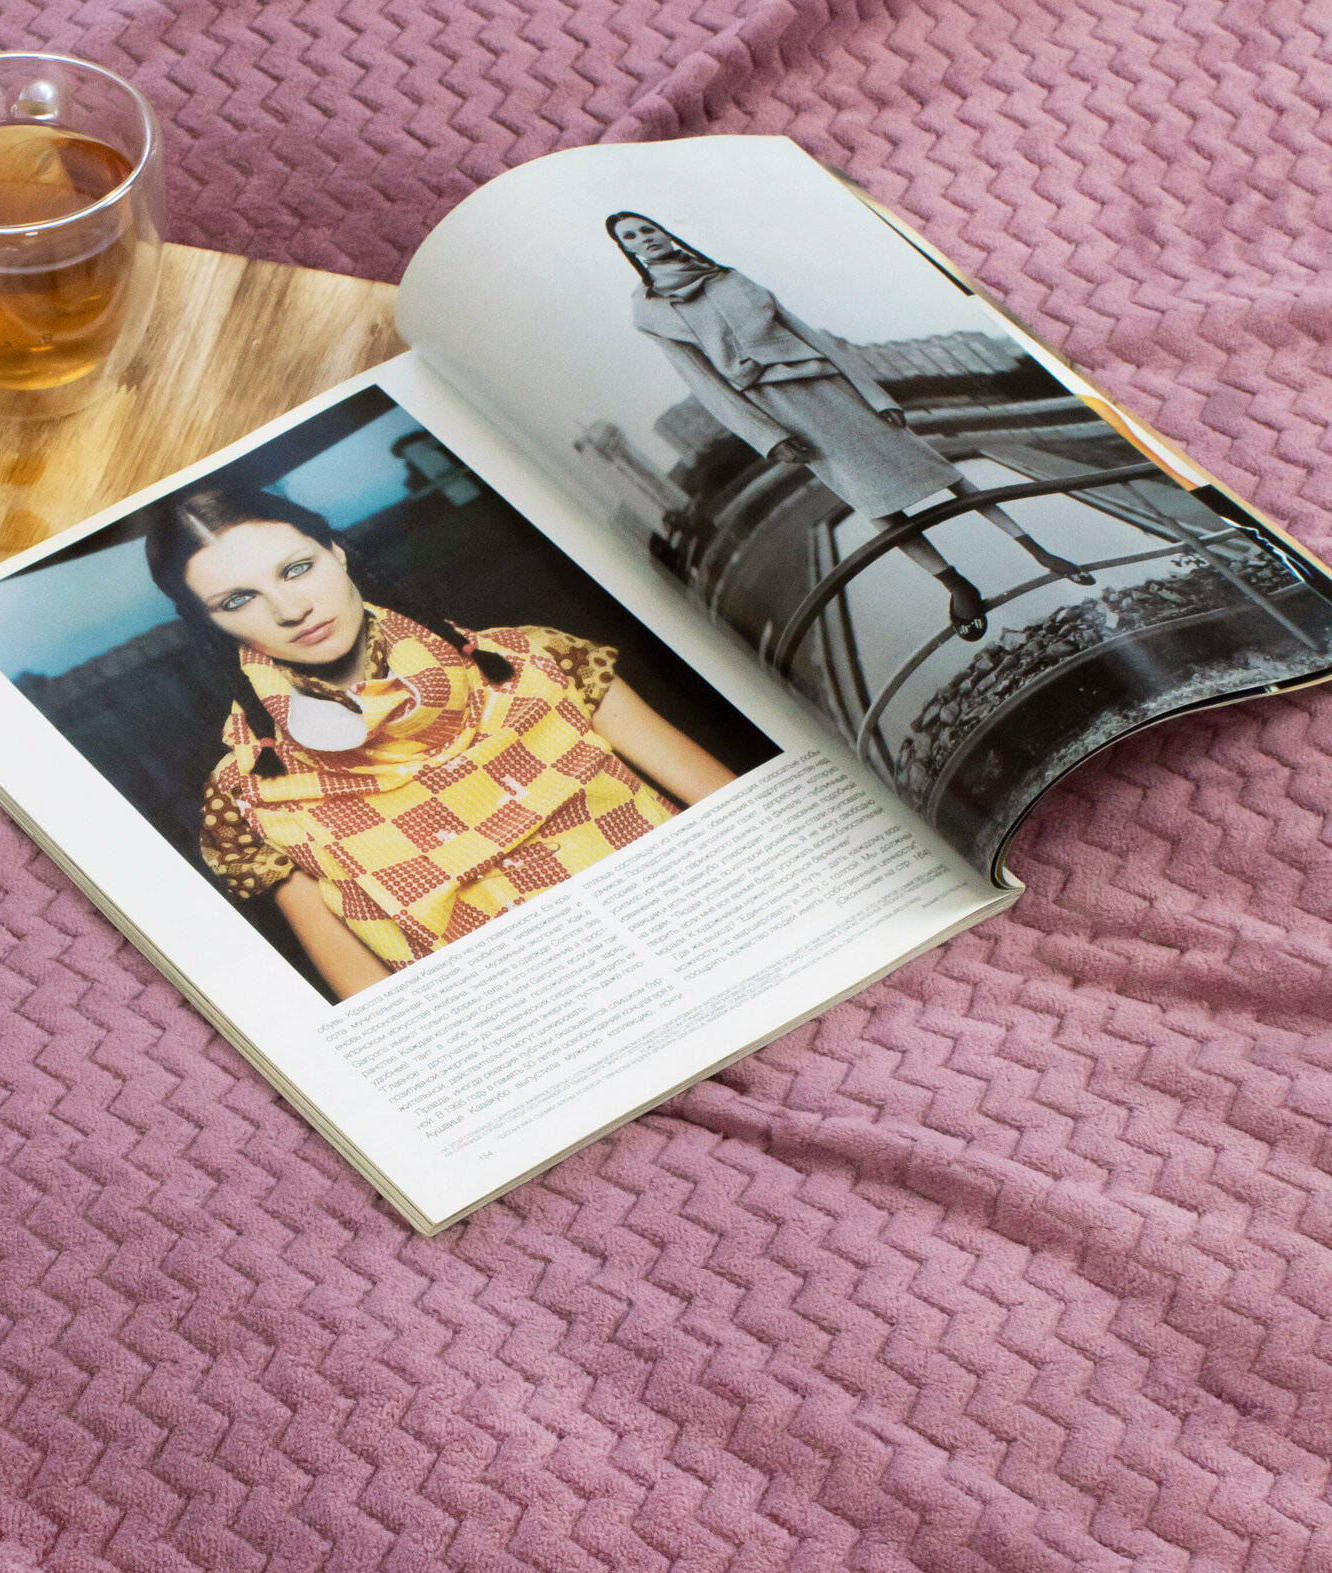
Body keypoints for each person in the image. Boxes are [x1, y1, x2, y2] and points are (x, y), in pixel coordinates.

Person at [143, 483, 735, 999]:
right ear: (211, 623)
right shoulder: (250, 793)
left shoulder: (532, 659)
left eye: (296, 569)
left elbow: (733, 811)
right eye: (238, 600)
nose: (291, 608)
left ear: (335, 551)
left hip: (709, 935)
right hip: (535, 1030)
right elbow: (375, 1005)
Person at [604, 211, 1093, 640]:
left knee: (939, 470)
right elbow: (706, 384)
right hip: (784, 411)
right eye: (631, 237)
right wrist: (770, 437)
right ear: (629, 251)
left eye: (648, 229)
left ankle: (1037, 549)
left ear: (665, 232)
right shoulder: (650, 312)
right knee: (870, 499)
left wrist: (876, 396)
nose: (645, 238)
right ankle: (955, 583)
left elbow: (811, 336)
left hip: (832, 386)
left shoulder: (731, 278)